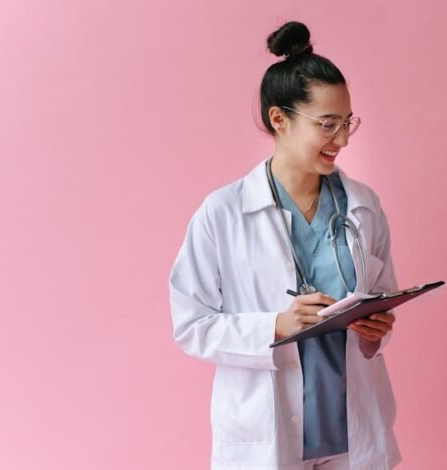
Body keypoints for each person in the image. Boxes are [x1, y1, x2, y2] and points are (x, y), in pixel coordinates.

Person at [169, 21, 401, 470]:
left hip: (352, 433)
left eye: (348, 122)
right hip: (267, 436)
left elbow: (382, 298)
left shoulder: (364, 206)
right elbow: (191, 325)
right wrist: (275, 325)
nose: (344, 138)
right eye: (328, 124)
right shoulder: (223, 214)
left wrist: (377, 329)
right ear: (280, 119)